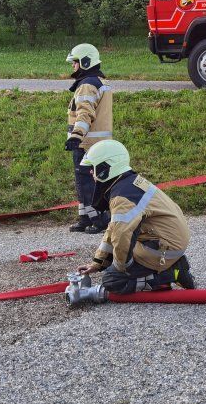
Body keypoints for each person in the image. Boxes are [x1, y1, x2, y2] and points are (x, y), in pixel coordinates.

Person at [76, 140, 195, 294]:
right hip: (168, 240)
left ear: (105, 168)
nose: (91, 172)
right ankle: (172, 265)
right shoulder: (128, 184)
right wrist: (98, 263)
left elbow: (121, 235)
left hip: (164, 246)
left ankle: (171, 274)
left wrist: (119, 269)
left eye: (93, 167)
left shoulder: (122, 197)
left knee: (113, 281)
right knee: (119, 260)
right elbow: (114, 228)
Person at [65, 43, 113, 233]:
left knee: (88, 183)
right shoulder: (99, 82)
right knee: (85, 181)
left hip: (87, 143)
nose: (73, 67)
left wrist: (76, 136)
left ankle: (99, 219)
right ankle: (85, 218)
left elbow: (85, 114)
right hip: (97, 143)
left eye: (75, 63)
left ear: (85, 62)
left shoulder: (86, 85)